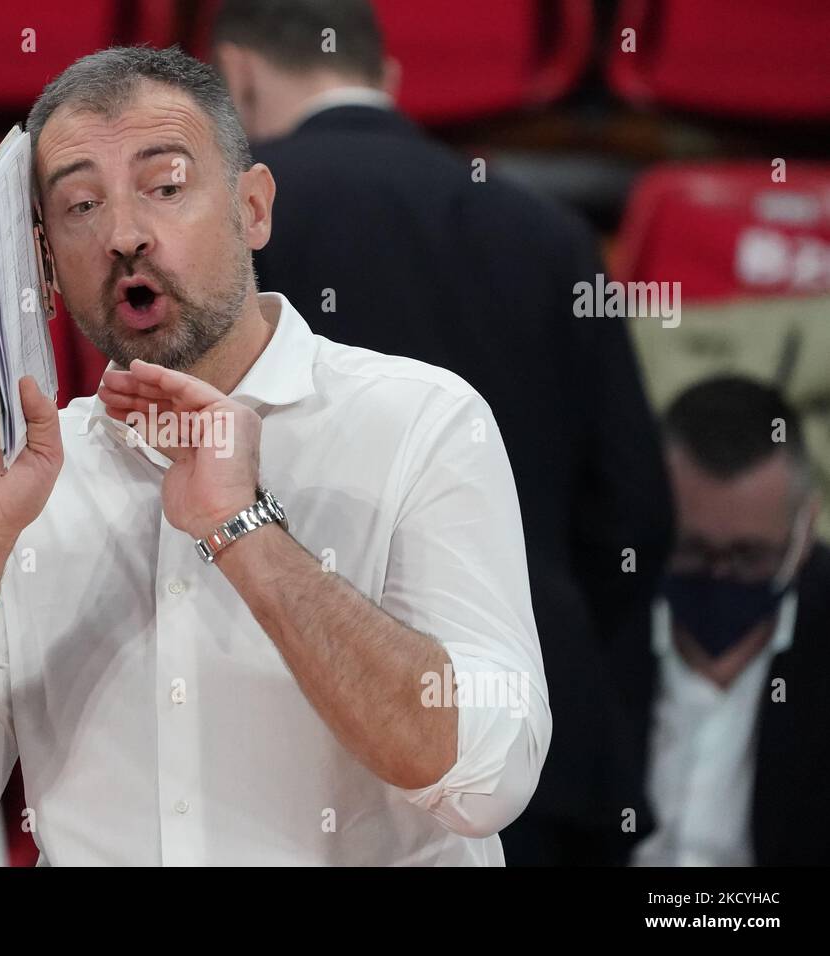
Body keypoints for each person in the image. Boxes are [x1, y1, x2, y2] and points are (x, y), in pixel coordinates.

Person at [0, 45, 550, 866]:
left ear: (253, 208)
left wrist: (243, 528)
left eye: (166, 186)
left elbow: (489, 780)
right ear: (42, 261)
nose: (124, 236)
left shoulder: (422, 420)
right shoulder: (27, 479)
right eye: (79, 206)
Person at [210, 0, 673, 863]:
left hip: (297, 743)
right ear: (387, 80)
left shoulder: (222, 233)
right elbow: (636, 513)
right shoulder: (553, 231)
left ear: (235, 73)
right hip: (542, 743)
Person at [613, 377, 830, 866]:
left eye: (749, 556)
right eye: (691, 550)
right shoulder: (596, 624)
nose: (719, 575)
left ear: (805, 529)